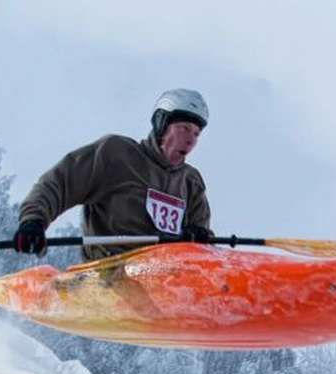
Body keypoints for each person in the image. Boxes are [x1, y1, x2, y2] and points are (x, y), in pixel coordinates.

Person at [13, 88, 214, 262]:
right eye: (184, 129)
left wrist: (199, 238)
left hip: (166, 280)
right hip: (108, 275)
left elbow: (201, 238)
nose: (190, 140)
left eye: (197, 134)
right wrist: (33, 221)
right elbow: (58, 183)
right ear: (161, 124)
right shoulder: (116, 155)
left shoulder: (191, 182)